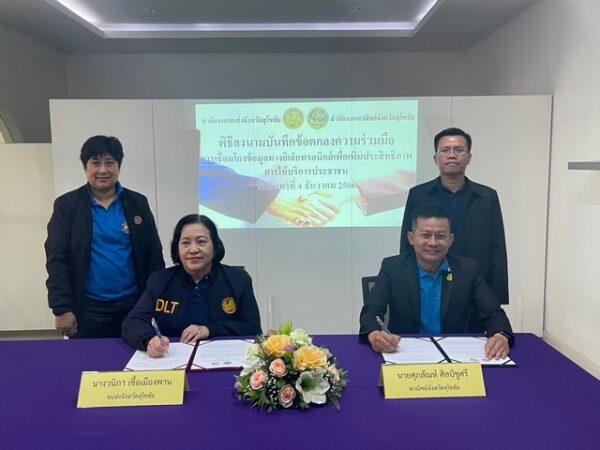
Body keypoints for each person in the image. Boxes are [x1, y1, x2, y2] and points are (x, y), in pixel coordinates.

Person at [45, 135, 165, 338]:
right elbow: (56, 259)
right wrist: (61, 308)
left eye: (109, 163)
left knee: (136, 356)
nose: (103, 170)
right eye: (95, 163)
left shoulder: (137, 203)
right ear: (85, 168)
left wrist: (158, 301)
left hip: (134, 305)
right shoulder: (67, 206)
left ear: (119, 167)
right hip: (88, 308)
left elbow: (154, 255)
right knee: (89, 358)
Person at [361, 203, 513, 359]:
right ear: (411, 238)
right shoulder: (393, 268)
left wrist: (500, 335)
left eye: (440, 236)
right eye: (425, 235)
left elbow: (493, 312)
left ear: (450, 240)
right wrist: (375, 335)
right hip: (405, 353)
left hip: (455, 356)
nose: (433, 243)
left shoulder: (468, 270)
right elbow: (371, 311)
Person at [399, 128, 508, 331]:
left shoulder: (487, 197)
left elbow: (497, 248)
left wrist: (496, 297)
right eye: (445, 150)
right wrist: (406, 286)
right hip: (431, 285)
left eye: (459, 150)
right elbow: (408, 244)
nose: (452, 155)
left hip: (474, 288)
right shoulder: (418, 195)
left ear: (469, 158)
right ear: (435, 158)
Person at [122, 214, 262, 357]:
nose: (193, 249)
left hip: (221, 358)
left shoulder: (238, 279)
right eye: (186, 243)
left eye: (201, 242)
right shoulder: (159, 281)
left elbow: (252, 328)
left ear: (215, 246)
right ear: (177, 248)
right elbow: (132, 322)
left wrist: (209, 330)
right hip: (171, 359)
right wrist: (149, 339)